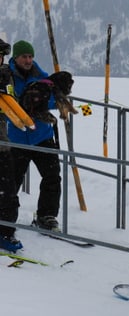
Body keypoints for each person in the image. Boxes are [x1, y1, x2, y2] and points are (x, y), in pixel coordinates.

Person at [0, 40, 73, 246]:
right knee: (10, 183)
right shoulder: (7, 75)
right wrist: (22, 103)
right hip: (16, 138)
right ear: (16, 57)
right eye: (24, 57)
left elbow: (53, 100)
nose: (28, 60)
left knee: (52, 177)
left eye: (31, 57)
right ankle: (6, 221)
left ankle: (46, 217)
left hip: (42, 135)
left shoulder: (42, 76)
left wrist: (43, 100)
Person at [0, 37, 17, 252]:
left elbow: (13, 104)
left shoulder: (5, 75)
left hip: (2, 143)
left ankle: (5, 232)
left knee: (8, 192)